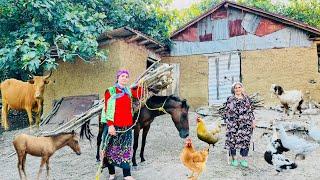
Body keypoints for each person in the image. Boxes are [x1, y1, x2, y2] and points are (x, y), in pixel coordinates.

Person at [101, 69, 143, 180]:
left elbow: (140, 94)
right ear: (118, 78)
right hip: (114, 126)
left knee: (126, 150)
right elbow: (107, 108)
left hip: (127, 126)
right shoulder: (111, 91)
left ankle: (127, 174)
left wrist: (140, 84)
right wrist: (110, 125)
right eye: (122, 76)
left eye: (126, 76)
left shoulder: (129, 91)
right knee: (110, 150)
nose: (124, 78)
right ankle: (111, 173)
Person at [223, 82, 256, 168]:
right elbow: (226, 111)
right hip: (233, 123)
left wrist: (253, 121)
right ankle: (234, 159)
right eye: (236, 88)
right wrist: (226, 122)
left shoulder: (247, 98)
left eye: (239, 87)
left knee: (245, 140)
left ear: (242, 88)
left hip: (246, 124)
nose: (238, 89)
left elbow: (250, 111)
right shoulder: (230, 99)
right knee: (232, 140)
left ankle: (244, 159)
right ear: (233, 90)